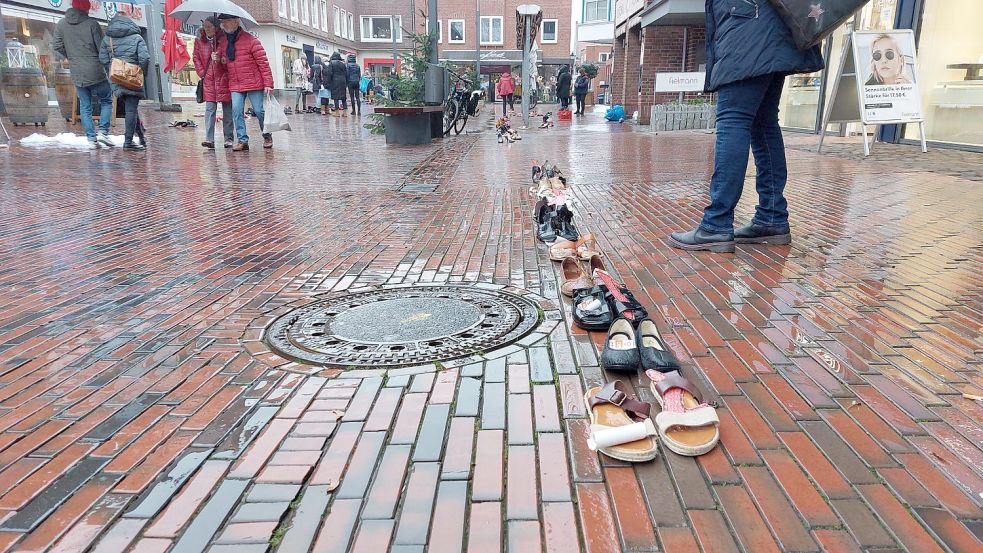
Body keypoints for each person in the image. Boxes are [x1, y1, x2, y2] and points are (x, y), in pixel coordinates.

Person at [668, 0, 823, 253]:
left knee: (733, 119)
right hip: (773, 26)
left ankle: (716, 224)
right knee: (764, 123)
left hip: (747, 24)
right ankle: (772, 217)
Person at [53, 0, 114, 148]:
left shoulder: (61, 24)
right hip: (96, 70)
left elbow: (57, 46)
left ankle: (91, 139)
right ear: (87, 8)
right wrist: (110, 63)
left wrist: (72, 56)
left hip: (77, 72)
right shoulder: (92, 24)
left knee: (85, 106)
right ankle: (103, 132)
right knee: (106, 100)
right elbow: (102, 49)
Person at [218, 14, 275, 150]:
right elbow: (223, 67)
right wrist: (219, 60)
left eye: (227, 21)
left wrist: (268, 83)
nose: (224, 24)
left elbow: (263, 63)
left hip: (253, 82)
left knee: (259, 110)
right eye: (223, 22)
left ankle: (267, 135)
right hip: (235, 83)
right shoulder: (223, 43)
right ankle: (243, 140)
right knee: (236, 111)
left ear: (236, 22)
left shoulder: (251, 40)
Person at [98, 13, 149, 151]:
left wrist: (113, 70)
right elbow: (144, 58)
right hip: (133, 77)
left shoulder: (107, 39)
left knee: (131, 109)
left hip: (117, 78)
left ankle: (141, 138)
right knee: (131, 110)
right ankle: (128, 142)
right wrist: (141, 73)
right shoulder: (137, 37)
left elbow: (103, 59)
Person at [194, 16, 233, 149]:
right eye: (205, 26)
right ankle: (209, 139)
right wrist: (201, 73)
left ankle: (228, 138)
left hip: (223, 78)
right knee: (210, 109)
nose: (207, 29)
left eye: (210, 26)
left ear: (217, 27)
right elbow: (196, 58)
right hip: (209, 79)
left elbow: (230, 57)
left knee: (227, 110)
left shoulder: (224, 39)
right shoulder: (199, 40)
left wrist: (221, 58)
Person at [325, 52, 348, 116]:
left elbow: (330, 73)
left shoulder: (331, 63)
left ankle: (337, 112)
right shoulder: (343, 64)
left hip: (335, 81)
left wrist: (328, 83)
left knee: (336, 97)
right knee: (343, 97)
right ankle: (345, 112)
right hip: (343, 81)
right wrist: (346, 82)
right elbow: (346, 74)